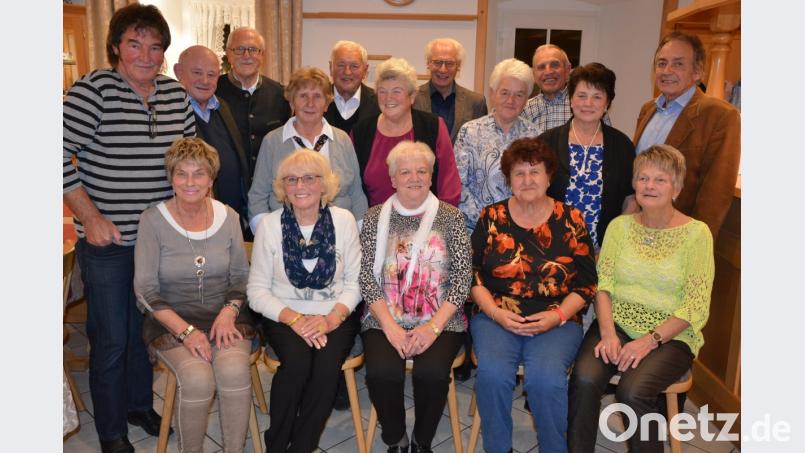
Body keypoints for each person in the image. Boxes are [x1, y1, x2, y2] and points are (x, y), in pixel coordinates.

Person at [62, 4, 195, 452]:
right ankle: (111, 431)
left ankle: (139, 404)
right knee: (113, 340)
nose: (146, 55)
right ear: (116, 47)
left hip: (159, 245)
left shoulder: (176, 96)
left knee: (146, 334)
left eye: (155, 46)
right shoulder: (93, 90)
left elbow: (188, 165)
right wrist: (90, 216)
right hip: (110, 246)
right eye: (135, 44)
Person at [568, 144, 714, 453]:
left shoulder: (697, 234)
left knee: (632, 390)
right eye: (643, 178)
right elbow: (603, 285)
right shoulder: (619, 228)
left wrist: (648, 340)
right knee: (583, 379)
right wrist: (607, 334)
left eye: (660, 180)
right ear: (634, 185)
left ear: (677, 187)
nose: (649, 186)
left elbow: (694, 305)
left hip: (672, 334)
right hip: (616, 322)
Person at [469, 137, 597, 453]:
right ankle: (498, 449)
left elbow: (586, 284)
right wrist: (496, 313)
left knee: (545, 380)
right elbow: (471, 274)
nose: (528, 180)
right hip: (496, 315)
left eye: (535, 172)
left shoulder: (572, 219)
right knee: (493, 374)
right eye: (519, 173)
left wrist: (557, 317)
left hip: (558, 317)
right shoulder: (491, 217)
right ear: (509, 179)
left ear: (549, 176)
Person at [134, 138, 255, 453]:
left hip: (225, 317)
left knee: (232, 371)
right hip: (172, 321)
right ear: (171, 177)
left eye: (199, 174)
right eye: (181, 173)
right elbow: (145, 289)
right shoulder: (152, 220)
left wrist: (229, 312)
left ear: (211, 179)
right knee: (199, 379)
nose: (190, 182)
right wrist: (186, 332)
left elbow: (241, 276)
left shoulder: (228, 216)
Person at [359, 141, 472, 453]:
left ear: (431, 175)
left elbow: (463, 279)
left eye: (421, 170)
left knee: (432, 374)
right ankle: (395, 438)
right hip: (384, 317)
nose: (414, 177)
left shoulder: (451, 217)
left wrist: (432, 328)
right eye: (404, 172)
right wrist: (391, 328)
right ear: (392, 178)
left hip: (440, 320)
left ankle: (423, 441)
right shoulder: (373, 218)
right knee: (381, 372)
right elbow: (367, 277)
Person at [247, 149, 362, 452]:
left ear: (324, 184)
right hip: (286, 315)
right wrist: (296, 320)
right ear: (283, 188)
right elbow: (256, 291)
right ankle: (276, 443)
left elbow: (355, 283)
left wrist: (330, 319)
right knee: (296, 365)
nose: (300, 186)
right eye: (292, 180)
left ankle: (301, 445)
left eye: (309, 178)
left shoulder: (344, 221)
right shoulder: (270, 226)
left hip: (334, 314)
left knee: (326, 370)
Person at [633, 31, 740, 239]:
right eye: (662, 63)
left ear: (698, 71)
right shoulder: (648, 109)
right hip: (639, 226)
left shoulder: (721, 115)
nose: (667, 71)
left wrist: (695, 242)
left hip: (679, 235)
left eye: (678, 64)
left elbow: (716, 194)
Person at [248, 66, 368, 234]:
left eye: (317, 96)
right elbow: (257, 197)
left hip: (338, 235)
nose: (310, 103)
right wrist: (270, 236)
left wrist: (357, 236)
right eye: (303, 96)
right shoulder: (272, 141)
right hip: (285, 236)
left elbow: (357, 194)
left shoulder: (342, 140)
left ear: (327, 104)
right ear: (291, 102)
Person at [539, 63, 635, 250]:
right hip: (551, 246)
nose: (588, 104)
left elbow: (631, 200)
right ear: (571, 100)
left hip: (604, 249)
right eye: (581, 96)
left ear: (607, 103)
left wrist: (613, 243)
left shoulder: (622, 145)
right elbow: (533, 194)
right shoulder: (546, 142)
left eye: (597, 97)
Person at [351, 57, 462, 207]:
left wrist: (440, 225)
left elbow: (449, 185)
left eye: (397, 91)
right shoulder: (361, 132)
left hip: (428, 224)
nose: (388, 98)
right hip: (376, 225)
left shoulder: (433, 126)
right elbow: (353, 189)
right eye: (383, 91)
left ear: (412, 96)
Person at [455, 57, 542, 231]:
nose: (511, 100)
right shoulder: (469, 131)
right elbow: (458, 183)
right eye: (504, 92)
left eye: (519, 94)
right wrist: (486, 220)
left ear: (527, 99)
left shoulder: (535, 136)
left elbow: (538, 184)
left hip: (522, 229)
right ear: (493, 93)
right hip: (476, 229)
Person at [174, 45, 252, 238]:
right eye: (197, 72)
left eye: (212, 74)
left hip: (231, 217)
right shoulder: (172, 113)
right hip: (194, 220)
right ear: (178, 72)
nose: (205, 81)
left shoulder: (222, 106)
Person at [216, 27, 292, 175]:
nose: (246, 55)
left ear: (262, 55)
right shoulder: (214, 91)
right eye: (239, 49)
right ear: (228, 54)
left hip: (269, 185)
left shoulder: (280, 94)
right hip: (226, 185)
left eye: (253, 49)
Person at [413, 38, 488, 143]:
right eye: (437, 62)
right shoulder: (412, 99)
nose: (443, 69)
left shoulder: (476, 102)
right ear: (428, 63)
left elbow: (481, 143)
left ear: (458, 66)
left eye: (449, 63)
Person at [521, 44, 609, 133]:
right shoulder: (524, 109)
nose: (548, 72)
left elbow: (608, 140)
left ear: (567, 70)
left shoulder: (587, 106)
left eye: (554, 65)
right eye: (541, 67)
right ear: (534, 74)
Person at [325, 40, 381, 134]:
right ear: (331, 67)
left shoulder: (379, 103)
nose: (347, 72)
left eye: (354, 66)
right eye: (341, 65)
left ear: (365, 70)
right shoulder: (315, 101)